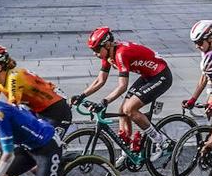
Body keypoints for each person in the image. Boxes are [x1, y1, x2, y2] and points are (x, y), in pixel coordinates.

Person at [73, 27, 171, 155]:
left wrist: (104, 101)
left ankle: (161, 141)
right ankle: (127, 151)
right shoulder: (108, 54)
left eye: (96, 49)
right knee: (122, 111)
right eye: (93, 50)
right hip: (148, 76)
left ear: (107, 45)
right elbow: (100, 80)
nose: (94, 53)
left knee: (129, 109)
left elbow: (122, 86)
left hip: (161, 76)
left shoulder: (120, 54)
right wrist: (81, 96)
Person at [0, 45, 71, 153]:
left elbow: (8, 113)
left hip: (57, 111)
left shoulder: (15, 78)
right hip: (37, 111)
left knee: (44, 149)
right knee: (26, 150)